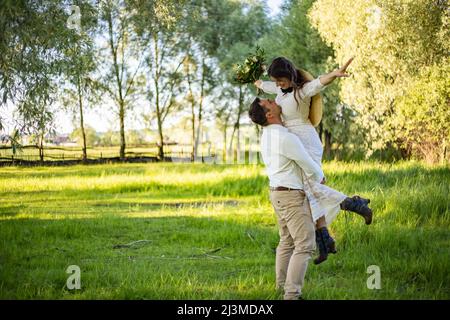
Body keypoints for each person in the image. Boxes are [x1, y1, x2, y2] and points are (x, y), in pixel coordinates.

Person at [248, 99, 371, 299]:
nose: (274, 100)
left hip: (277, 193)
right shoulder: (286, 138)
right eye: (269, 102)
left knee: (287, 241)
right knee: (305, 244)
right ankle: (292, 295)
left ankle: (281, 288)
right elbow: (307, 164)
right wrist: (320, 176)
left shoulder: (267, 135)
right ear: (269, 114)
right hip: (290, 196)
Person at [253, 56, 371, 264]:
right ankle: (325, 239)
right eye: (276, 81)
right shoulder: (279, 89)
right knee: (308, 192)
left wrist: (334, 74)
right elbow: (267, 86)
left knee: (310, 188)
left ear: (290, 76)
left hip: (304, 139)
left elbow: (318, 83)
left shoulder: (301, 92)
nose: (279, 85)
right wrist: (256, 80)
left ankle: (352, 205)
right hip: (292, 142)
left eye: (281, 80)